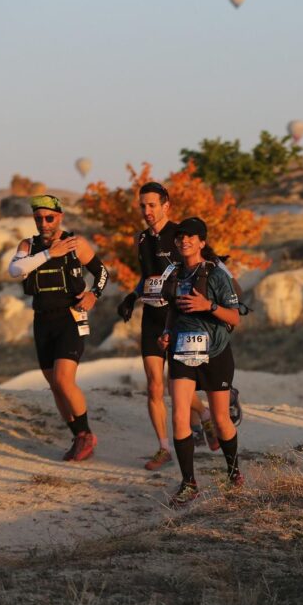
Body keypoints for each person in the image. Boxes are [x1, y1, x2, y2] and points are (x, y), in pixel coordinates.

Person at [9, 195, 108, 462]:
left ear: (60, 216)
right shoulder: (28, 246)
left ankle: (87, 434)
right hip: (42, 320)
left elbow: (101, 272)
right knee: (55, 385)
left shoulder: (76, 244)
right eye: (38, 218)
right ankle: (77, 435)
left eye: (49, 217)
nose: (43, 222)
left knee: (65, 380)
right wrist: (49, 254)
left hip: (70, 317)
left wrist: (94, 295)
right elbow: (15, 270)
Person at [157, 217, 244, 506]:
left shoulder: (216, 274)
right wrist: (167, 332)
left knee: (221, 420)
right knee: (180, 414)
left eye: (190, 237)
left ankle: (234, 473)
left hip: (215, 353)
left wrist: (209, 306)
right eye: (180, 236)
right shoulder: (173, 272)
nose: (184, 241)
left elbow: (234, 318)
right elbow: (172, 309)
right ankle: (189, 483)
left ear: (202, 242)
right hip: (182, 352)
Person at [115, 182, 181, 470]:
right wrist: (132, 295)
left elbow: (198, 269)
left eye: (152, 205)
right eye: (142, 205)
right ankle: (163, 448)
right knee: (154, 386)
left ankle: (204, 415)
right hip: (152, 317)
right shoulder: (140, 239)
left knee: (179, 384)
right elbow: (146, 277)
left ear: (166, 205)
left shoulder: (181, 235)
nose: (147, 210)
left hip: (178, 317)